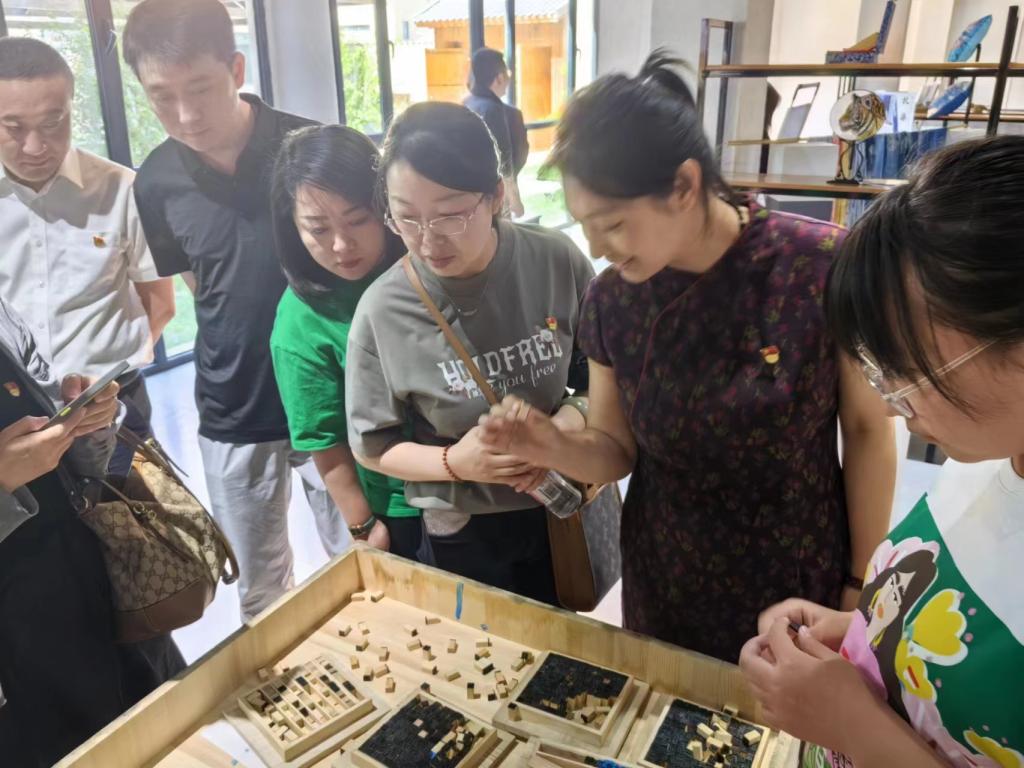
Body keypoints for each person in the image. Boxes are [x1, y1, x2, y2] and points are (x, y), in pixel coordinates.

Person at [477, 51, 896, 662]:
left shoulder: (820, 267)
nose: (596, 246)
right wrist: (548, 445)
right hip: (666, 574)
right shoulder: (613, 300)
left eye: (611, 223)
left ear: (683, 186)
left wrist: (860, 584)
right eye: (584, 225)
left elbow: (867, 431)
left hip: (796, 572)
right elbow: (614, 451)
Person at [740, 135, 1024, 768]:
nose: (892, 405)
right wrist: (861, 629)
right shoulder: (989, 455)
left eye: (907, 368)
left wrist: (854, 725)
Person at [123, 0, 350, 622]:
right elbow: (203, 287)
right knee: (261, 592)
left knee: (363, 558)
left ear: (237, 68)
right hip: (234, 404)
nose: (185, 114)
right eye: (161, 97)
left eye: (200, 88)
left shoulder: (309, 149)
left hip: (330, 391)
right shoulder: (155, 181)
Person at [345, 102, 594, 604]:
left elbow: (602, 378)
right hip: (461, 525)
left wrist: (563, 428)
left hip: (559, 500)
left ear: (497, 194)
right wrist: (456, 461)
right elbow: (373, 445)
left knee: (571, 631)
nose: (428, 240)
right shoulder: (383, 310)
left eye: (450, 215)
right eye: (406, 218)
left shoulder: (556, 260)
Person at [0, 297, 181, 767]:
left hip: (94, 576)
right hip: (21, 646)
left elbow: (77, 462)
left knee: (161, 728)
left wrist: (87, 420)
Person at [0, 37, 175, 476]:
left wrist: (110, 378)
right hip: (14, 413)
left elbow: (160, 302)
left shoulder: (123, 189)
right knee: (38, 518)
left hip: (114, 404)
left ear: (71, 107)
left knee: (132, 516)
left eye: (53, 122)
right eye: (13, 127)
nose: (35, 146)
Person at [269, 125, 421, 560]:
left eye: (357, 220)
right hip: (402, 505)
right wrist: (363, 525)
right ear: (292, 227)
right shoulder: (301, 320)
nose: (341, 245)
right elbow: (325, 441)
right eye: (317, 229)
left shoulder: (424, 263)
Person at [463, 47, 529, 218]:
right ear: (499, 78)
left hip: (471, 193)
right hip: (493, 194)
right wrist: (515, 200)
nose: (508, 79)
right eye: (507, 74)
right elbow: (503, 159)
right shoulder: (493, 110)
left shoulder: (467, 103)